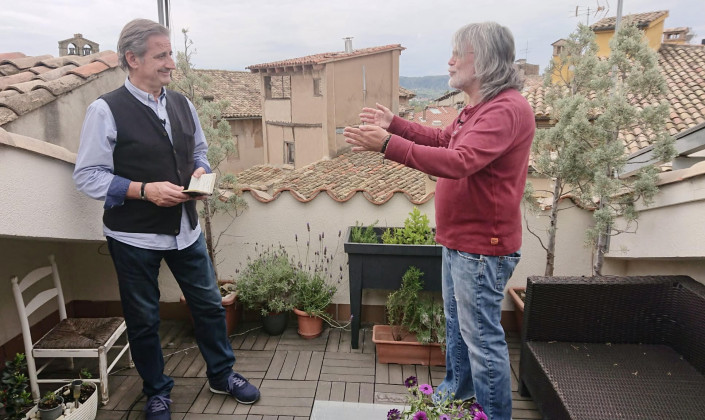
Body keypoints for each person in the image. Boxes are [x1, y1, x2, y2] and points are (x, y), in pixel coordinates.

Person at [344, 22, 534, 420]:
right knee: (458, 327)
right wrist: (396, 125)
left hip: (482, 249)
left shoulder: (507, 109)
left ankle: (492, 415)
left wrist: (387, 144)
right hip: (459, 242)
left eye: (458, 53)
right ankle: (457, 394)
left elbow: (459, 162)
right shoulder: (478, 107)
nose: (450, 60)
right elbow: (443, 140)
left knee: (482, 341)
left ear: (484, 61)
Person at [73, 18, 259, 420]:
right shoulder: (104, 110)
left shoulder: (182, 104)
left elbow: (200, 152)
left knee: (209, 306)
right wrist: (144, 190)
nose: (171, 63)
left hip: (185, 231)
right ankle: (156, 391)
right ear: (132, 58)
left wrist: (200, 172)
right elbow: (87, 177)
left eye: (170, 53)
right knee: (143, 320)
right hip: (132, 237)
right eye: (161, 55)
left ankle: (221, 374)